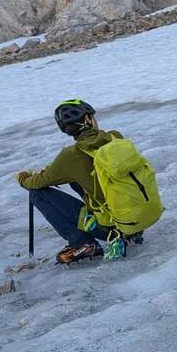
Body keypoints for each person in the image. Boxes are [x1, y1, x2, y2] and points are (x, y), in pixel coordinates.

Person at [17, 99, 144, 263]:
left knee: (37, 193)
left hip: (109, 228)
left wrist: (23, 177)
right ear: (88, 119)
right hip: (138, 218)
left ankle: (81, 243)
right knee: (78, 180)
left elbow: (35, 183)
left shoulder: (70, 156)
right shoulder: (115, 137)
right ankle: (130, 233)